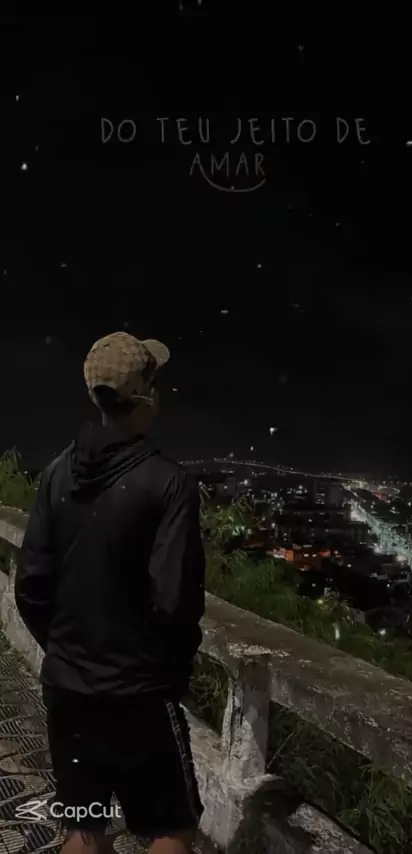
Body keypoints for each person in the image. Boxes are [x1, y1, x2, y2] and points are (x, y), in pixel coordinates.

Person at [15, 332, 205, 854]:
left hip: (68, 691)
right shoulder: (169, 483)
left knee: (85, 827)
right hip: (138, 694)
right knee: (171, 829)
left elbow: (31, 586)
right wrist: (164, 674)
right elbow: (175, 602)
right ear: (146, 396)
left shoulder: (56, 475)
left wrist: (70, 653)